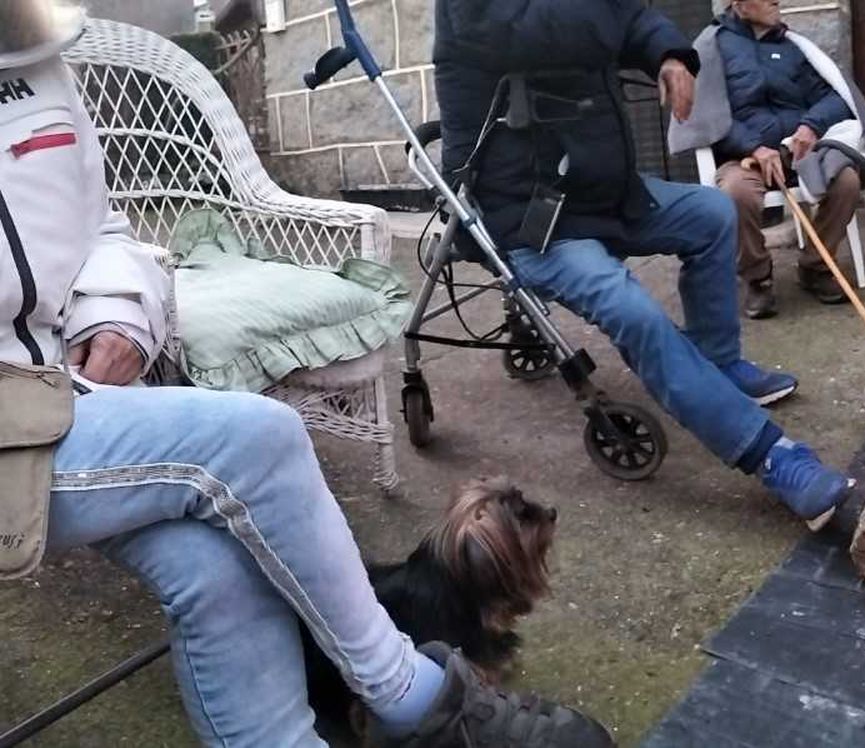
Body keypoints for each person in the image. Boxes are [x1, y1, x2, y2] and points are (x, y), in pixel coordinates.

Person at [2, 3, 609, 746]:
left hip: (67, 395)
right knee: (262, 439)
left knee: (221, 566)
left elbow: (99, 228)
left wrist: (119, 317)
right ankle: (415, 698)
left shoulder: (33, 55)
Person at [432, 0, 852, 527]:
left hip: (607, 197)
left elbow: (630, 21)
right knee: (635, 312)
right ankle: (770, 455)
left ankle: (717, 365)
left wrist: (670, 56)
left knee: (712, 213)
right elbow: (565, 28)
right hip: (534, 220)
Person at [710, 0, 859, 319]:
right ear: (739, 5)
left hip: (798, 152)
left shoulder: (793, 48)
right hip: (743, 157)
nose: (776, 0)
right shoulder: (713, 47)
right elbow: (709, 114)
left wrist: (810, 126)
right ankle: (757, 278)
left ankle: (816, 267)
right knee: (737, 192)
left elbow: (835, 97)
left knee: (846, 180)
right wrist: (754, 148)